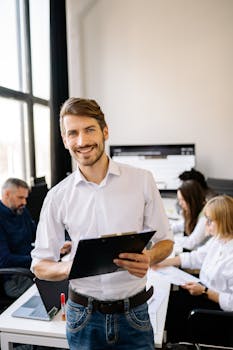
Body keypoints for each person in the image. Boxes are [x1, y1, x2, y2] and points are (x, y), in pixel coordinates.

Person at [31, 97, 174, 350]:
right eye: (72, 133)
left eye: (89, 130)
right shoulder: (57, 196)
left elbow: (166, 241)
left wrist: (150, 257)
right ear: (65, 140)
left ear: (105, 131)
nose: (82, 141)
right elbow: (40, 266)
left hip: (135, 313)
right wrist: (72, 267)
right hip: (82, 316)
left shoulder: (142, 180)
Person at [153, 195, 233, 343]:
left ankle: (172, 343)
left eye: (210, 220)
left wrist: (204, 292)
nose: (206, 224)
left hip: (216, 311)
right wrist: (161, 262)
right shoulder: (219, 240)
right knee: (169, 300)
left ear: (223, 221)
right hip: (203, 293)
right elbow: (196, 257)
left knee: (171, 311)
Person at [0, 178, 36, 298]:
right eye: (20, 198)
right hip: (14, 277)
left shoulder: (21, 210)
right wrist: (34, 258)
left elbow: (36, 234)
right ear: (7, 194)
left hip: (30, 267)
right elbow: (5, 260)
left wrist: (57, 245)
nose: (24, 202)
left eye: (25, 198)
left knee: (63, 280)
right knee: (48, 294)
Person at [172, 180, 208, 251]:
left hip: (202, 257)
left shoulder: (205, 217)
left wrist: (168, 239)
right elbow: (180, 225)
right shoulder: (195, 211)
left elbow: (191, 243)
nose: (180, 203)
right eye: (179, 200)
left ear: (192, 200)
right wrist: (164, 231)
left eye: (182, 200)